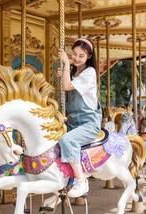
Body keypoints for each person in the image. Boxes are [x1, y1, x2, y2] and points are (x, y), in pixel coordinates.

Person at [57, 38, 102, 198]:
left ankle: (81, 181)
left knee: (67, 141)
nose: (76, 58)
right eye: (74, 54)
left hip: (88, 124)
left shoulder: (89, 73)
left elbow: (67, 87)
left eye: (81, 56)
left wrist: (67, 67)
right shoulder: (75, 73)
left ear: (88, 56)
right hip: (73, 122)